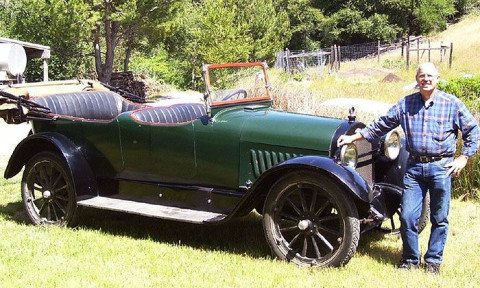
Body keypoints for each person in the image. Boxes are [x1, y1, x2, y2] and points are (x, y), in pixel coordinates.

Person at [337, 62, 479, 274]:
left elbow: (473, 131)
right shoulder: (406, 104)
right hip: (414, 169)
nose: (426, 79)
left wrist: (464, 158)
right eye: (422, 76)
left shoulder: (452, 104)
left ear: (437, 79)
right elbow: (381, 124)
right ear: (417, 79)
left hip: (442, 167)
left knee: (440, 218)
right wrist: (354, 136)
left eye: (430, 76)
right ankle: (410, 260)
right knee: (407, 217)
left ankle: (433, 261)